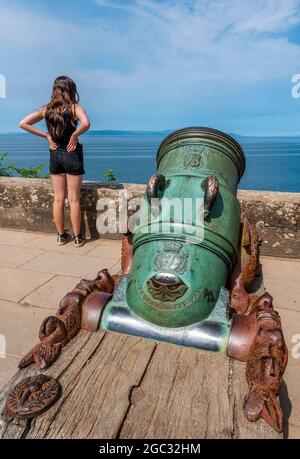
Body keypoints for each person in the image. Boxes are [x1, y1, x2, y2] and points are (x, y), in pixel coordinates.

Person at [19, 76, 90, 247]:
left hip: (55, 155)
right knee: (73, 199)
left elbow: (23, 123)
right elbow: (86, 123)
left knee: (58, 198)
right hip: (72, 154)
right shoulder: (74, 108)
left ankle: (60, 235)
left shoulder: (46, 109)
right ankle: (78, 237)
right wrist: (74, 135)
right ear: (70, 89)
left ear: (54, 90)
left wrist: (46, 136)